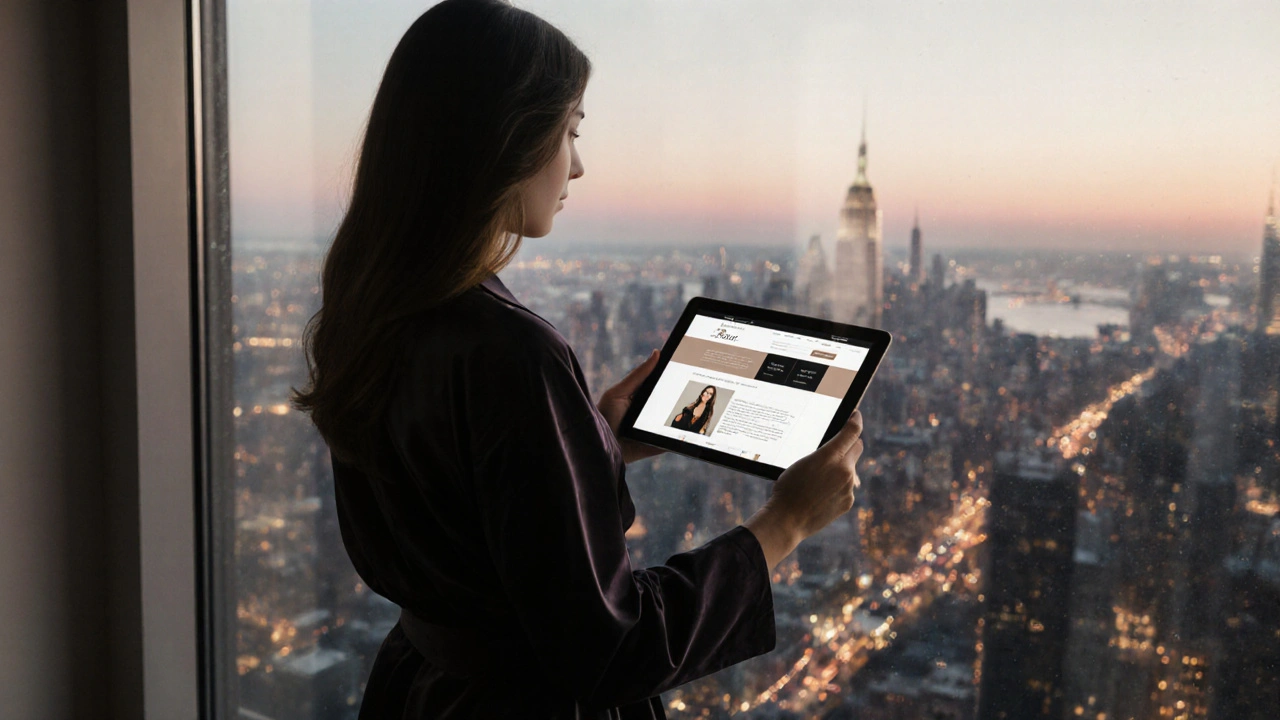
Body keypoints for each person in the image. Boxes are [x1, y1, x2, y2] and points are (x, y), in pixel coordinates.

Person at [293, 1, 865, 717]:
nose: (580, 165)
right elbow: (613, 646)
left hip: (420, 691)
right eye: (571, 131)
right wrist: (787, 520)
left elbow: (472, 522)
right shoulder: (510, 351)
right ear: (508, 139)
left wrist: (592, 445)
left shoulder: (378, 314)